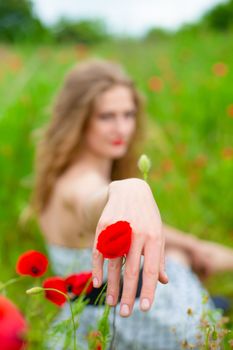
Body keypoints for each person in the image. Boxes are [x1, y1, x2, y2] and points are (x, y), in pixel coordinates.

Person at [33, 59, 233, 350]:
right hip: (122, 324)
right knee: (184, 261)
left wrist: (193, 243)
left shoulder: (62, 174)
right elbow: (92, 204)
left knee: (186, 252)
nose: (122, 128)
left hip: (90, 314)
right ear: (77, 118)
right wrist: (127, 189)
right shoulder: (79, 185)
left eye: (128, 114)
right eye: (106, 116)